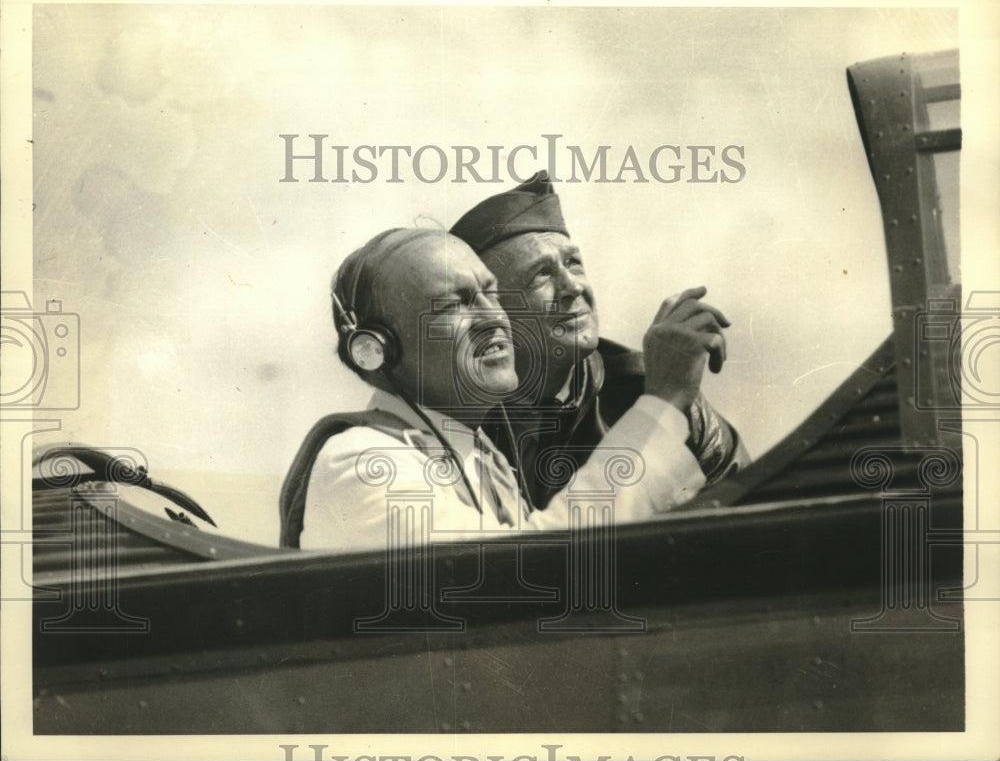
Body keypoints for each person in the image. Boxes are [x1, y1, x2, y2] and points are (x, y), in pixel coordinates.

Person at [285, 227, 714, 551]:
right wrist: (663, 402)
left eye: (491, 293)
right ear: (376, 350)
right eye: (456, 303)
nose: (495, 318)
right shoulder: (363, 461)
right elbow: (531, 571)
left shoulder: (479, 459)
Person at [450, 171, 749, 509]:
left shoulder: (648, 391)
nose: (574, 286)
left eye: (573, 263)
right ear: (494, 310)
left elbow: (750, 511)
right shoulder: (461, 419)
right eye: (542, 274)